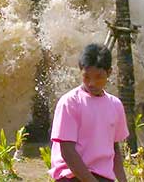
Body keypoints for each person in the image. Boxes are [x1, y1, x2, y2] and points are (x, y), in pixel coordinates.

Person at [49, 43, 128, 182]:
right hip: (72, 176)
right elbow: (67, 151)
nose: (92, 83)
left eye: (98, 77)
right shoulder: (70, 102)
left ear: (109, 72)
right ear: (80, 72)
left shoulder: (115, 105)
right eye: (87, 77)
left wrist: (122, 180)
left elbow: (114, 147)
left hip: (103, 177)